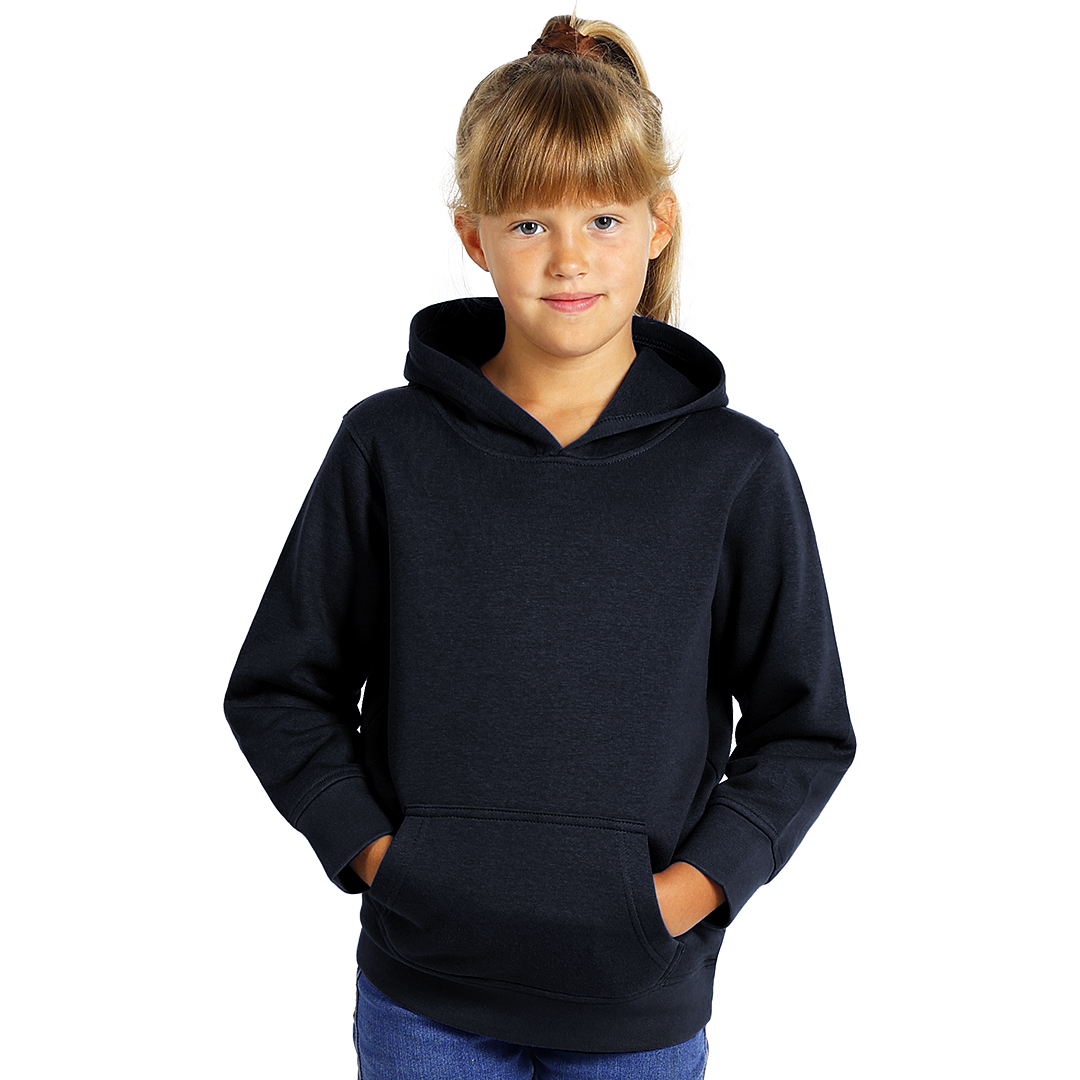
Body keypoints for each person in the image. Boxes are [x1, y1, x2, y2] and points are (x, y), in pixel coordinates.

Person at [224, 13, 856, 1079]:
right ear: (474, 236)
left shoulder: (735, 468)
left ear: (658, 224)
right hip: (426, 1002)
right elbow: (280, 688)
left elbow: (805, 728)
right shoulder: (387, 446)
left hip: (638, 1004)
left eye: (604, 217)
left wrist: (689, 892)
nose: (570, 258)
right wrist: (387, 860)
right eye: (529, 222)